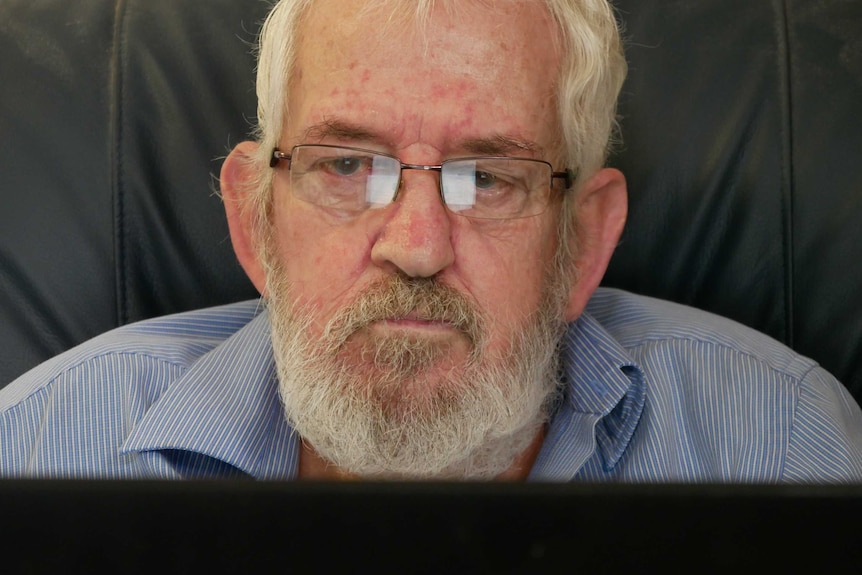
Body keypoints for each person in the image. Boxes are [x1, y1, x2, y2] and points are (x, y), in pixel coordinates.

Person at [2, 0, 861, 482]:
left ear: (586, 241)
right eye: (347, 165)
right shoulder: (38, 448)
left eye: (486, 178)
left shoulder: (787, 445)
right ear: (255, 222)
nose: (416, 245)